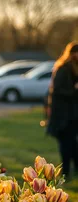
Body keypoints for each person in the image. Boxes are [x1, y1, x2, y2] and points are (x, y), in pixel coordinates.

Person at [47, 42, 78, 178]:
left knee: (72, 144)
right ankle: (66, 171)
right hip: (64, 116)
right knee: (67, 144)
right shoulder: (63, 69)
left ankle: (73, 169)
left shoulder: (73, 68)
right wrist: (75, 90)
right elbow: (58, 91)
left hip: (72, 115)